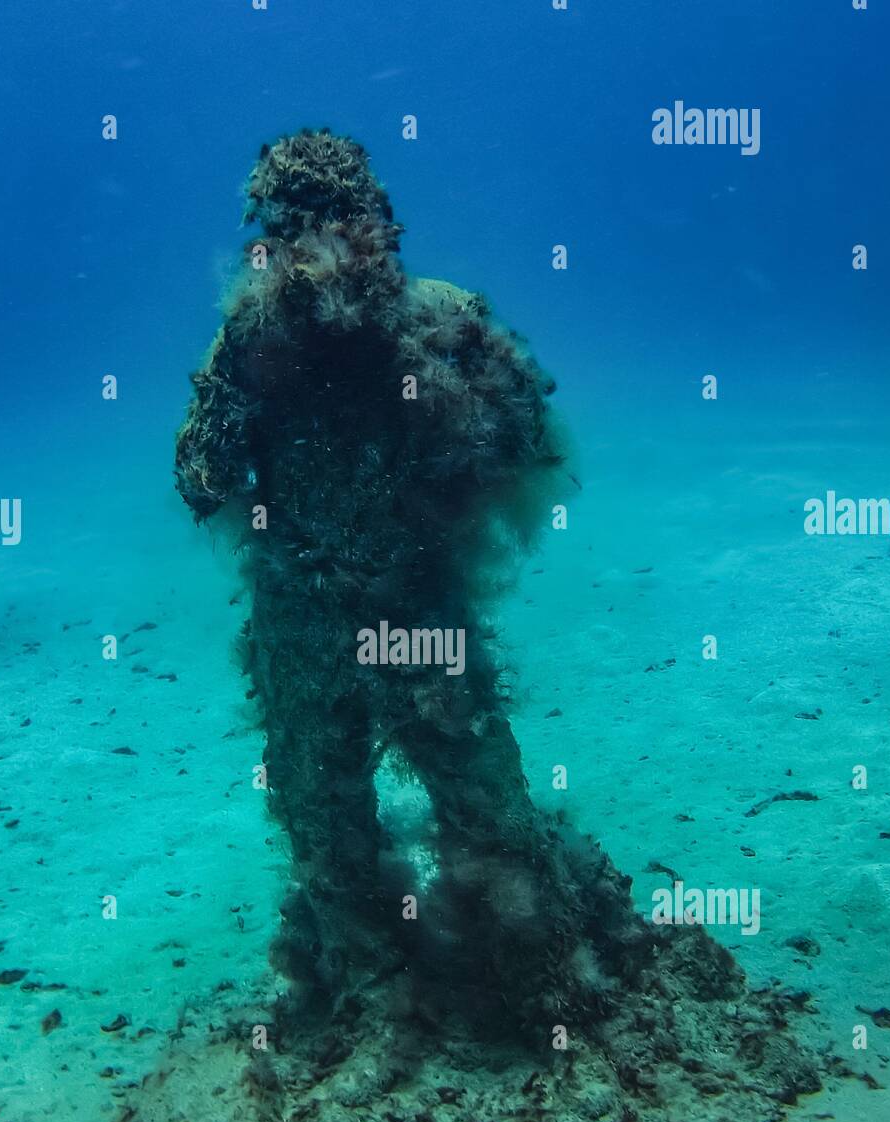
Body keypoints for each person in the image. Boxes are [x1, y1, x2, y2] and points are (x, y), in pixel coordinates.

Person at [175, 129, 645, 1033]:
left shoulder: (444, 320)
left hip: (408, 605)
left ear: (379, 222)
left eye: (336, 219)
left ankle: (537, 985)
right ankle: (376, 993)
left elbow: (519, 443)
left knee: (475, 803)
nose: (315, 246)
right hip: (308, 610)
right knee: (323, 807)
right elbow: (200, 474)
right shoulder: (249, 342)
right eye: (293, 225)